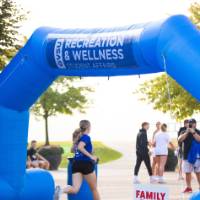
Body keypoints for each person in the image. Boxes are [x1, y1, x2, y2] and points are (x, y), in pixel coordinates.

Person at [54, 120, 100, 200]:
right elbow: (80, 147)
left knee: (75, 189)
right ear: (88, 127)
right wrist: (91, 156)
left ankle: (61, 190)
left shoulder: (78, 139)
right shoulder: (86, 137)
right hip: (86, 164)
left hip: (76, 164)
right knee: (94, 189)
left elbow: (73, 150)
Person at [178, 119, 200, 193]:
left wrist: (193, 132)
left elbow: (199, 139)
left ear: (195, 124)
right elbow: (180, 139)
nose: (191, 124)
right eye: (189, 123)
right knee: (187, 172)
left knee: (198, 172)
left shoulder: (198, 131)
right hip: (186, 155)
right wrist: (187, 133)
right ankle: (189, 187)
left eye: (193, 123)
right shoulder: (184, 131)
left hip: (196, 156)